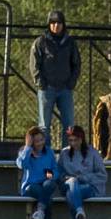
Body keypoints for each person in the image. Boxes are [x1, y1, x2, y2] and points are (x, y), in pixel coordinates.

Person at [29, 10, 80, 148]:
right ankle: (46, 156)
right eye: (53, 23)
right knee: (44, 125)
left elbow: (76, 64)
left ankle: (66, 155)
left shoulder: (70, 43)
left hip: (65, 89)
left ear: (63, 25)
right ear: (49, 25)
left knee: (69, 125)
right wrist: (41, 83)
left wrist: (71, 83)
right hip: (47, 89)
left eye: (59, 23)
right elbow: (34, 65)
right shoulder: (41, 42)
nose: (56, 26)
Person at [57, 125, 107, 219]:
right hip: (67, 183)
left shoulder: (92, 152)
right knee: (72, 182)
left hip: (88, 187)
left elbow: (102, 175)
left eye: (76, 140)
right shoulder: (64, 153)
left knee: (70, 193)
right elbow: (58, 172)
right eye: (71, 140)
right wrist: (66, 177)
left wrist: (84, 177)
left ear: (82, 139)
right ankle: (79, 210)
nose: (73, 143)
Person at [17, 126, 59, 219]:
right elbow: (22, 164)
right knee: (43, 193)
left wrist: (49, 174)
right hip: (30, 186)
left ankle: (40, 211)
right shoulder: (24, 151)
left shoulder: (49, 152)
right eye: (36, 141)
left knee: (49, 185)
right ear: (31, 142)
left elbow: (55, 170)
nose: (40, 143)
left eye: (41, 140)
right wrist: (28, 148)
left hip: (45, 183)